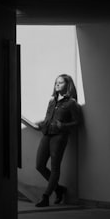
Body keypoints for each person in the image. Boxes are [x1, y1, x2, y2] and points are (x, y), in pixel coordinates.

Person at [30, 74, 82, 207]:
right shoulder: (52, 101)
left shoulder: (71, 103)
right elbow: (47, 118)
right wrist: (41, 125)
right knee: (39, 165)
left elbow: (78, 122)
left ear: (67, 85)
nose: (57, 85)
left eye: (60, 83)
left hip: (59, 136)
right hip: (47, 134)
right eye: (56, 83)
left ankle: (46, 196)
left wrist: (63, 126)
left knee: (54, 168)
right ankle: (59, 189)